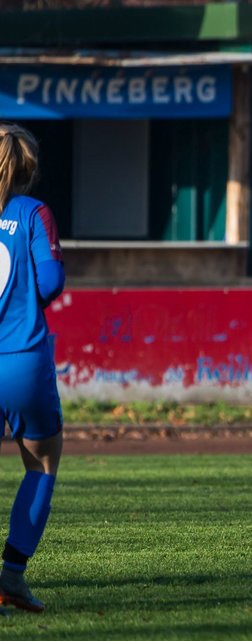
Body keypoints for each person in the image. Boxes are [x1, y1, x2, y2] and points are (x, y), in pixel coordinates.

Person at [0, 124, 66, 614]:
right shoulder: (33, 212)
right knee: (41, 464)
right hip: (21, 358)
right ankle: (11, 578)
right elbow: (51, 282)